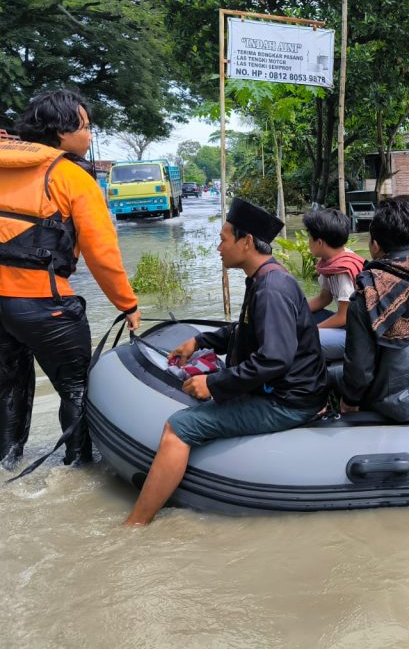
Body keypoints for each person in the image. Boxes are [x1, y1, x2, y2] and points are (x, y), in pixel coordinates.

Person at [125, 199, 327, 525]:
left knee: (178, 428)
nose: (218, 247)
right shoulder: (265, 279)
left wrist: (213, 383)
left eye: (223, 239)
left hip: (287, 401)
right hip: (289, 391)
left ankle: (136, 523)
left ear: (246, 242)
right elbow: (245, 330)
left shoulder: (271, 289)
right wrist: (200, 341)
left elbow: (275, 358)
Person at [0, 90, 141, 469]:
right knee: (77, 387)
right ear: (61, 132)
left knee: (9, 382)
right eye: (86, 127)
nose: (90, 135)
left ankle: (5, 465)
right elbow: (102, 254)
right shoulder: (71, 178)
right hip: (41, 305)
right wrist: (127, 304)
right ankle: (77, 469)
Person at [340, 197, 409, 421]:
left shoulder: (366, 295)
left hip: (389, 406)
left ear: (376, 245)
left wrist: (349, 401)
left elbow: (360, 371)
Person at [302, 207, 365, 361]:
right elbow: (324, 298)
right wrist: (295, 311)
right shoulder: (331, 262)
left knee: (301, 341)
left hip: (358, 334)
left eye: (309, 237)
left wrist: (312, 330)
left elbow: (343, 317)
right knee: (301, 318)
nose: (308, 242)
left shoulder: (344, 269)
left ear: (320, 242)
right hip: (347, 324)